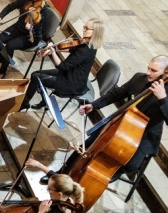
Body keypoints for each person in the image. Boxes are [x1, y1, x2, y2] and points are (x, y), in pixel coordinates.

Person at [42, 55, 168, 185]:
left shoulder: (166, 94)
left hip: (144, 135)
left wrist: (163, 98)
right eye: (149, 68)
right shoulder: (139, 78)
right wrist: (94, 105)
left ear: (166, 72)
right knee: (88, 144)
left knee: (130, 164)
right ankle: (60, 173)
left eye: (153, 71)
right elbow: (116, 94)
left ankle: (103, 176)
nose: (148, 73)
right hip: (121, 122)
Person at [20, 19, 103, 111]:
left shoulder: (85, 50)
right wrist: (55, 48)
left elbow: (62, 66)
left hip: (71, 83)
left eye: (87, 28)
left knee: (36, 77)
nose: (83, 29)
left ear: (95, 32)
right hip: (71, 74)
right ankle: (44, 101)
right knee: (36, 73)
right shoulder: (88, 43)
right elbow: (71, 48)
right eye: (84, 26)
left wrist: (53, 52)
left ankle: (24, 104)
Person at [0, 0, 49, 77]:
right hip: (19, 27)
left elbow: (39, 25)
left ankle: (4, 67)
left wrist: (32, 25)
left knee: (10, 45)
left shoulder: (43, 8)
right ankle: (1, 61)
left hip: (31, 36)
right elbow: (10, 7)